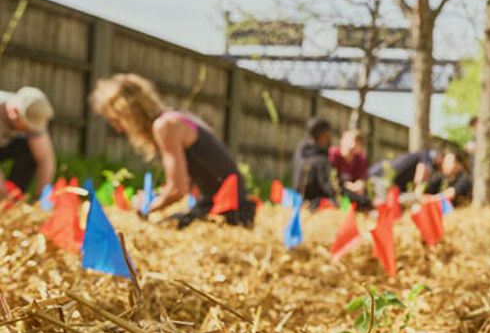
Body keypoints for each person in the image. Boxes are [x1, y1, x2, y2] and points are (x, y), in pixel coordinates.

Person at [90, 73, 254, 229]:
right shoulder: (175, 119)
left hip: (229, 213)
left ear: (129, 112)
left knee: (162, 229)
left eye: (116, 120)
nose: (118, 129)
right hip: (225, 206)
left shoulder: (165, 126)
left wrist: (146, 207)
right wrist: (155, 196)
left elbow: (178, 189)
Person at [0, 87, 55, 200]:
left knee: (30, 149)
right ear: (14, 112)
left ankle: (15, 198)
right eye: (26, 126)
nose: (29, 130)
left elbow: (45, 159)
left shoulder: (33, 113)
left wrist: (43, 198)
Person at [292, 118, 338, 209]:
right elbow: (334, 190)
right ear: (322, 136)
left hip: (298, 204)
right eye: (328, 136)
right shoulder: (320, 160)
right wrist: (364, 201)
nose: (330, 139)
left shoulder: (301, 153)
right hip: (313, 207)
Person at [368, 148, 437, 195]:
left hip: (386, 180)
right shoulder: (425, 154)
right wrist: (417, 195)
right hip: (378, 176)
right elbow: (420, 178)